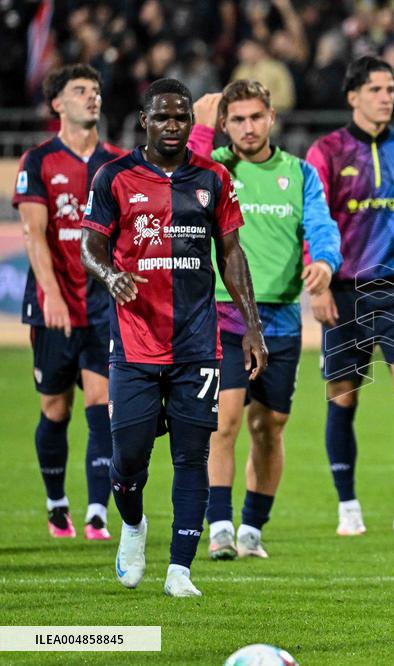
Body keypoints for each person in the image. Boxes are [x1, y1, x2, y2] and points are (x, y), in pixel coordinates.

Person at [80, 78, 267, 597]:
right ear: (145, 120)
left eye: (181, 117)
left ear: (192, 122)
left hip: (197, 344)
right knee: (129, 458)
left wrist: (250, 325)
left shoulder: (213, 176)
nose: (172, 125)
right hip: (135, 345)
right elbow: (89, 246)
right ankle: (134, 525)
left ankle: (180, 569)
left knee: (192, 455)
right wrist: (110, 274)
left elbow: (231, 254)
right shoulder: (114, 176)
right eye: (162, 117)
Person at [187, 80, 342, 560]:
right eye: (237, 119)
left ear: (272, 118)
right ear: (224, 124)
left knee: (269, 426)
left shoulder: (299, 174)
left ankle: (252, 527)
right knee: (224, 422)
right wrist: (197, 131)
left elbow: (320, 225)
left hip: (279, 317)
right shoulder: (212, 170)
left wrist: (325, 261)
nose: (248, 128)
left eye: (256, 117)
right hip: (223, 313)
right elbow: (168, 186)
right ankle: (219, 529)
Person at [305, 56, 394, 538]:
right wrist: (319, 285)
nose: (387, 96)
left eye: (391, 88)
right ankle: (348, 507)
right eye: (376, 89)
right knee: (343, 397)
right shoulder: (326, 152)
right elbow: (313, 222)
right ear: (353, 96)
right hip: (344, 291)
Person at [13, 64, 127, 541]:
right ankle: (57, 503)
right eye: (80, 90)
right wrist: (54, 296)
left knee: (102, 403)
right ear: (57, 103)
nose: (92, 97)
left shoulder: (120, 163)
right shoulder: (37, 161)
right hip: (52, 308)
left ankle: (97, 511)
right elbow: (34, 235)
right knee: (55, 409)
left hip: (105, 309)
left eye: (96, 90)